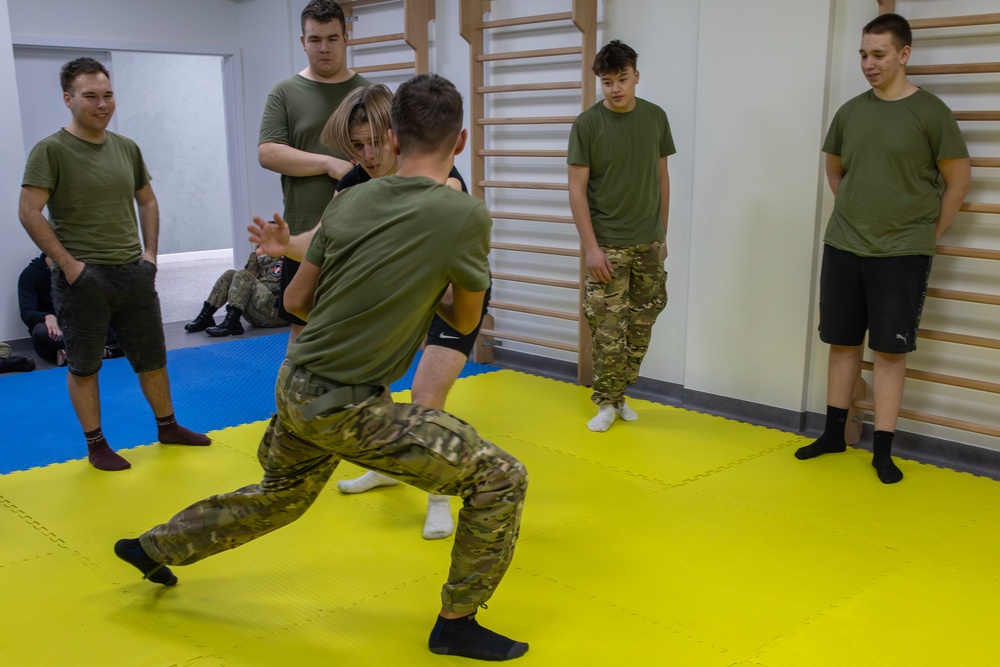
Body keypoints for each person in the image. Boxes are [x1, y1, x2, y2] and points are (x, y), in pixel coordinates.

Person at [115, 73, 529, 662]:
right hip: (347, 403)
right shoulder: (463, 213)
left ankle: (152, 547)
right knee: (500, 477)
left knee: (280, 496)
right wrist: (425, 290)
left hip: (294, 381)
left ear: (392, 135)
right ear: (460, 141)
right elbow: (464, 321)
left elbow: (295, 302)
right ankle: (457, 622)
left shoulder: (353, 198)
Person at [249, 84, 489, 541]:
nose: (366, 155)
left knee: (425, 395)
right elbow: (320, 237)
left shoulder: (445, 184)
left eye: (374, 143)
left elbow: (437, 254)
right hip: (395, 293)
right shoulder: (356, 182)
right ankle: (386, 469)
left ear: (396, 136)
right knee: (369, 384)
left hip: (448, 294)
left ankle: (438, 496)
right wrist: (286, 245)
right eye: (355, 147)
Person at [794, 13, 971, 484]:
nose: (868, 64)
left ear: (903, 55)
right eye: (863, 55)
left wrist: (927, 234)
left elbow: (959, 182)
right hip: (845, 244)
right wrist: (856, 209)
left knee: (890, 353)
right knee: (842, 342)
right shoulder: (850, 112)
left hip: (903, 252)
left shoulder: (932, 113)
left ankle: (883, 449)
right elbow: (835, 170)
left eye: (878, 55)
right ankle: (834, 432)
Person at [18, 57, 210, 472]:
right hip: (83, 280)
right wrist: (68, 266)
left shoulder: (127, 148)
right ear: (69, 99)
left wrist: (151, 255)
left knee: (152, 356)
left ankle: (168, 425)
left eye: (108, 95)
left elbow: (148, 199)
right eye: (91, 96)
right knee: (86, 364)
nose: (102, 104)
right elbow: (29, 211)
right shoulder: (50, 150)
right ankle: (97, 444)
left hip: (133, 273)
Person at [567, 40, 673, 432]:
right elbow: (576, 190)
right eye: (607, 81)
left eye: (622, 79)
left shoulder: (656, 118)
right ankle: (606, 402)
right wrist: (591, 249)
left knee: (642, 323)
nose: (616, 88)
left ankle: (619, 392)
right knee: (608, 330)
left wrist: (662, 234)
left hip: (649, 241)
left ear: (636, 77)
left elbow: (662, 177)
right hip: (607, 244)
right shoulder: (587, 125)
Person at [258, 0, 371, 344]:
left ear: (346, 38)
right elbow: (268, 152)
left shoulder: (369, 92)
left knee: (357, 330)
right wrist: (327, 163)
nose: (324, 48)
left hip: (360, 230)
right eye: (315, 39)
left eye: (332, 38)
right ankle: (295, 397)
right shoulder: (285, 92)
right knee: (302, 326)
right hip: (303, 232)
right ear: (302, 41)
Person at [18, 252, 123, 365]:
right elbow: (26, 312)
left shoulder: (79, 269)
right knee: (40, 333)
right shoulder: (30, 274)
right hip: (56, 329)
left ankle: (73, 354)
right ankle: (105, 351)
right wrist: (47, 317)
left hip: (80, 323)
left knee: (123, 322)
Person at [184, 249, 288, 337]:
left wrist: (249, 281)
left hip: (276, 315)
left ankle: (232, 322)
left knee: (242, 275)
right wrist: (254, 256)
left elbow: (272, 286)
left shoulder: (285, 259)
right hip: (261, 310)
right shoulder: (267, 259)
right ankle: (206, 316)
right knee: (230, 274)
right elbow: (250, 276)